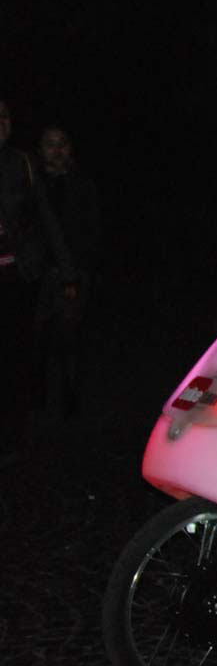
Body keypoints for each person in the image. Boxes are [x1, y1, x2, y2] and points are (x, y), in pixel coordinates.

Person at [0, 103, 75, 455]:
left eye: (4, 117)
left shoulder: (22, 163)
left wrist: (67, 269)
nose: (1, 123)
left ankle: (15, 434)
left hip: (14, 276)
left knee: (16, 354)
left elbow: (45, 219)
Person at [34, 126, 100, 424]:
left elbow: (92, 230)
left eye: (62, 143)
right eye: (50, 144)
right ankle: (37, 399)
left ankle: (70, 403)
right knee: (38, 337)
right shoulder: (31, 184)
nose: (57, 150)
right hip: (37, 273)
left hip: (75, 273)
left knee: (70, 336)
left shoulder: (82, 185)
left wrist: (76, 270)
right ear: (40, 149)